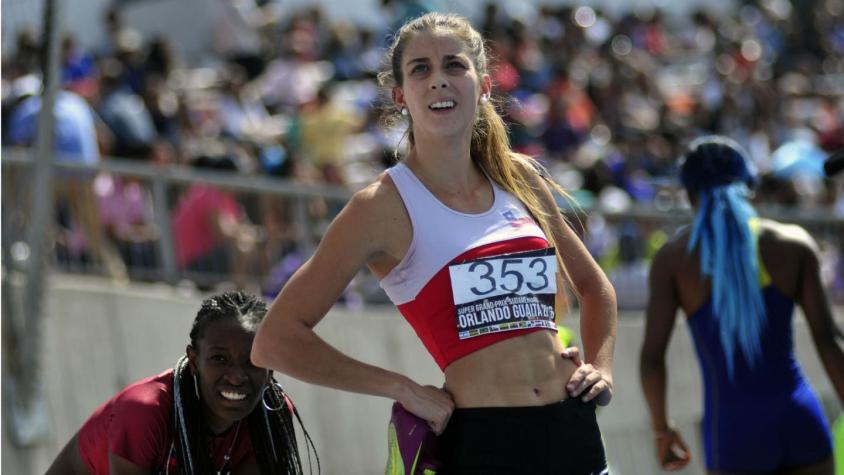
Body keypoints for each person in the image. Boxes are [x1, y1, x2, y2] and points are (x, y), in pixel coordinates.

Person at [252, 12, 617, 474]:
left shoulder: (520, 177)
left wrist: (601, 368)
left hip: (573, 428)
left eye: (453, 66)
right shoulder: (380, 206)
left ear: (484, 84)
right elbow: (274, 341)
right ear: (400, 95)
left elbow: (593, 285)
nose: (438, 81)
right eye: (421, 69)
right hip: (486, 441)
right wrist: (402, 388)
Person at [639, 136, 844, 473]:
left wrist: (662, 429)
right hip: (800, 418)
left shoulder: (674, 260)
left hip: (733, 432)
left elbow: (651, 358)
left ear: (690, 195)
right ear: (750, 187)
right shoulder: (793, 244)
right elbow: (828, 340)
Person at [46, 291, 316, 474]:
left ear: (271, 368)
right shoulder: (143, 411)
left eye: (253, 361)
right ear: (194, 360)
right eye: (219, 358)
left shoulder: (271, 416)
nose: (236, 376)